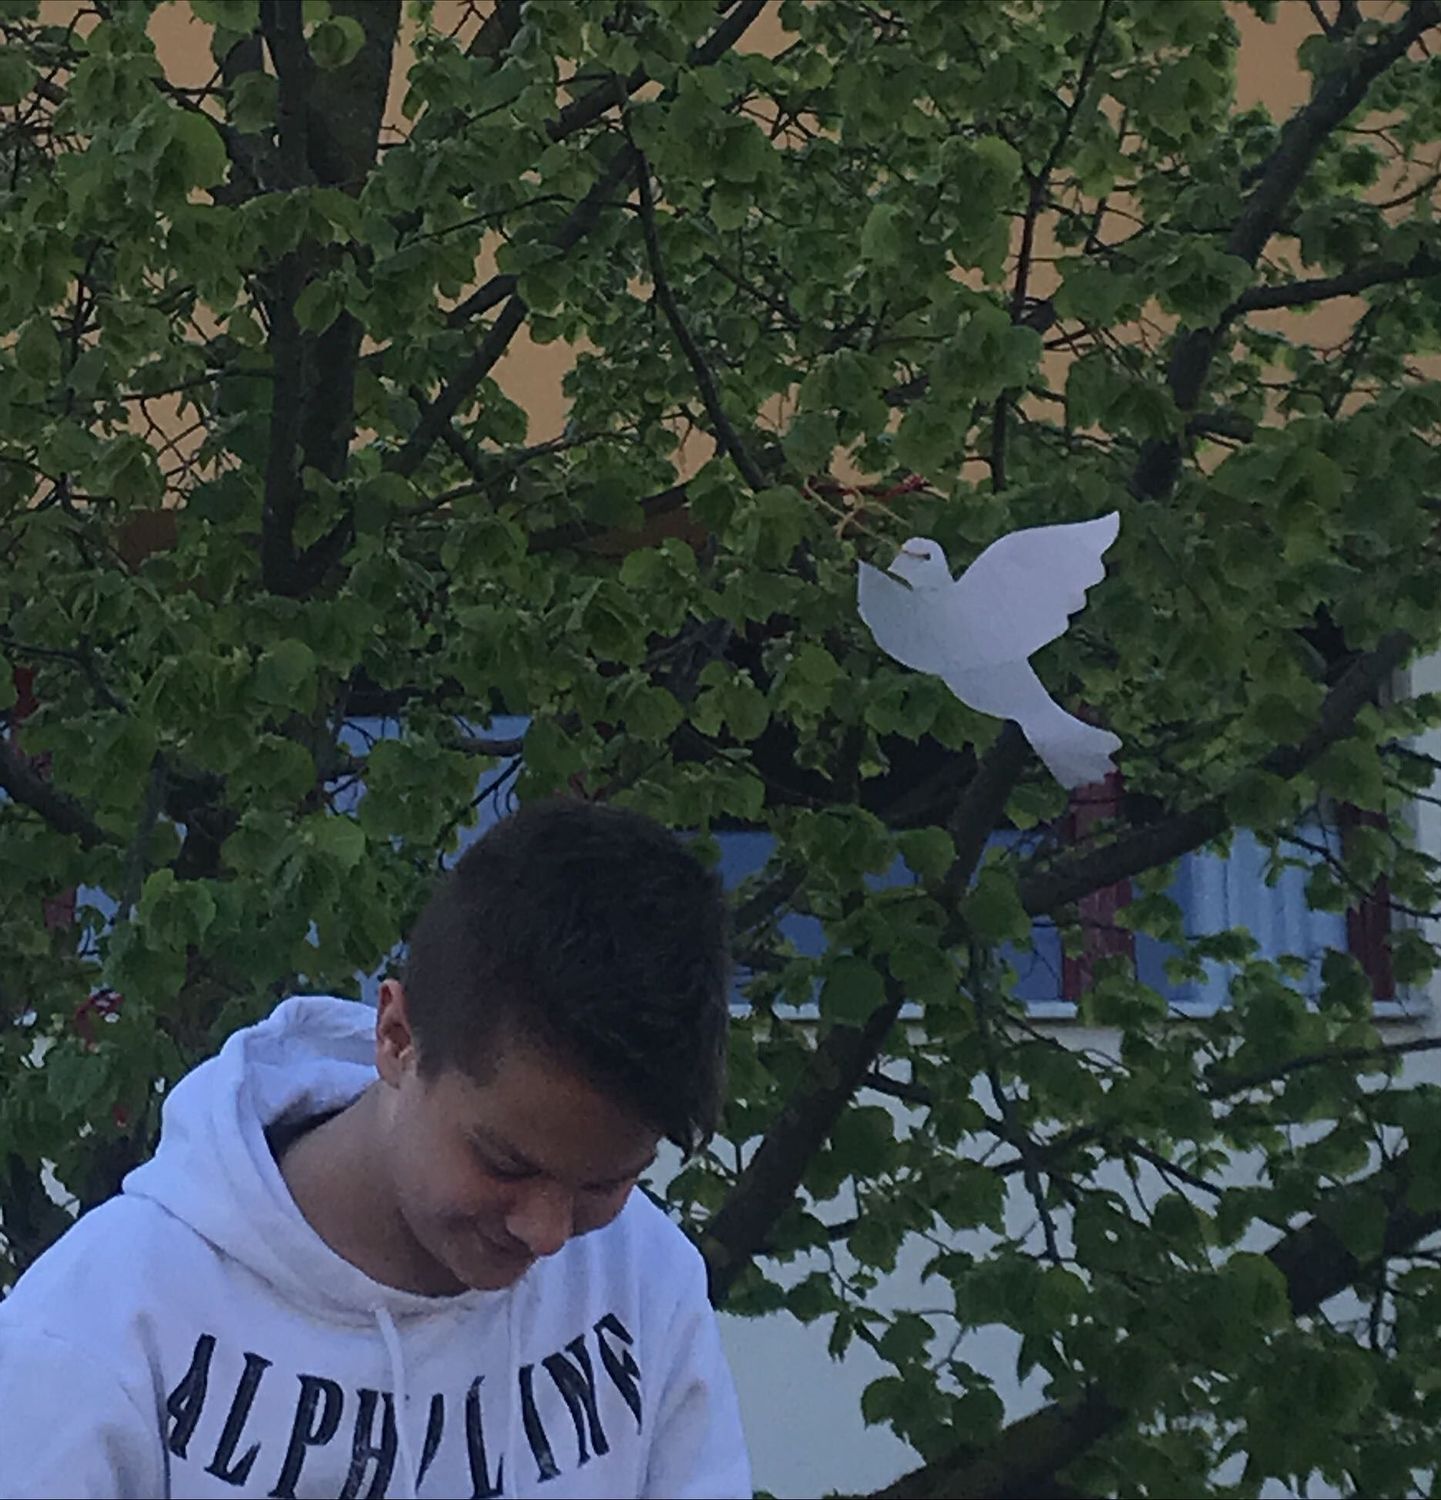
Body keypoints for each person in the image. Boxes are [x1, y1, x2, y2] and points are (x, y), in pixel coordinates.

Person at [0, 798, 752, 1499]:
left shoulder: (643, 1279)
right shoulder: (99, 1327)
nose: (547, 1231)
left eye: (604, 1184)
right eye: (506, 1164)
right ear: (396, 1037)